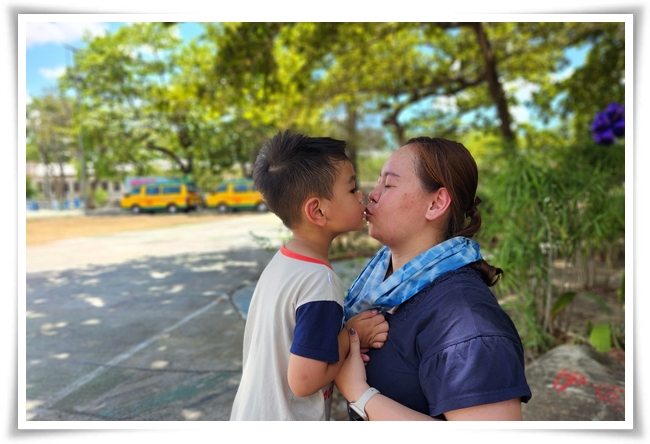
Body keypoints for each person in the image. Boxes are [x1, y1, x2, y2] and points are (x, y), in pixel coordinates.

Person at [335, 136, 532, 421]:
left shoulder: (466, 322)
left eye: (389, 184)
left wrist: (360, 394)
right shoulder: (382, 287)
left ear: (436, 203)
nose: (372, 195)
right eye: (378, 183)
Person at [230, 130, 389, 421]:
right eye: (352, 189)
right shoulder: (319, 281)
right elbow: (304, 381)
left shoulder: (283, 262)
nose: (362, 196)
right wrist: (353, 334)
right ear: (317, 210)